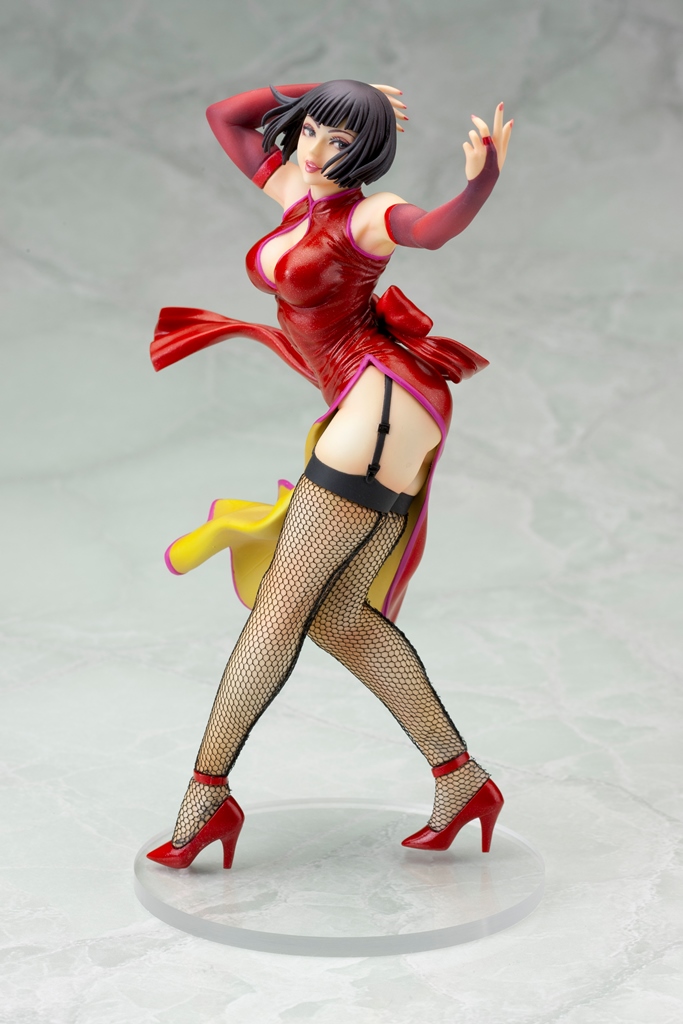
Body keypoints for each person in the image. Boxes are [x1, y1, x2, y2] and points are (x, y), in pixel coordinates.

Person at [147, 80, 513, 870]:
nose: (315, 151)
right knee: (337, 618)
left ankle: (206, 797)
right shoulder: (292, 190)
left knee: (280, 608)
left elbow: (432, 229)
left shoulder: (368, 215)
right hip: (361, 403)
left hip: (382, 400)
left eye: (339, 141)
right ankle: (461, 779)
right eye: (310, 130)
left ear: (366, 153)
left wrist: (480, 181)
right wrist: (326, 90)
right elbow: (223, 115)